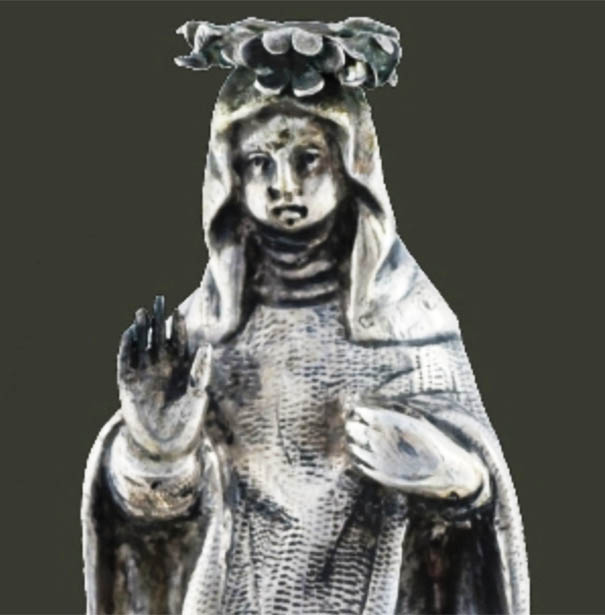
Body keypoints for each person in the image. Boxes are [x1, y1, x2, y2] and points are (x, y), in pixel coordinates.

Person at [81, 18, 528, 615]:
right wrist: (153, 447)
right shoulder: (203, 336)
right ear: (228, 175)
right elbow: (156, 527)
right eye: (259, 162)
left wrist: (451, 477)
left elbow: (481, 511)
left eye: (307, 158)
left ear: (352, 164)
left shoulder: (409, 329)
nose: (282, 185)